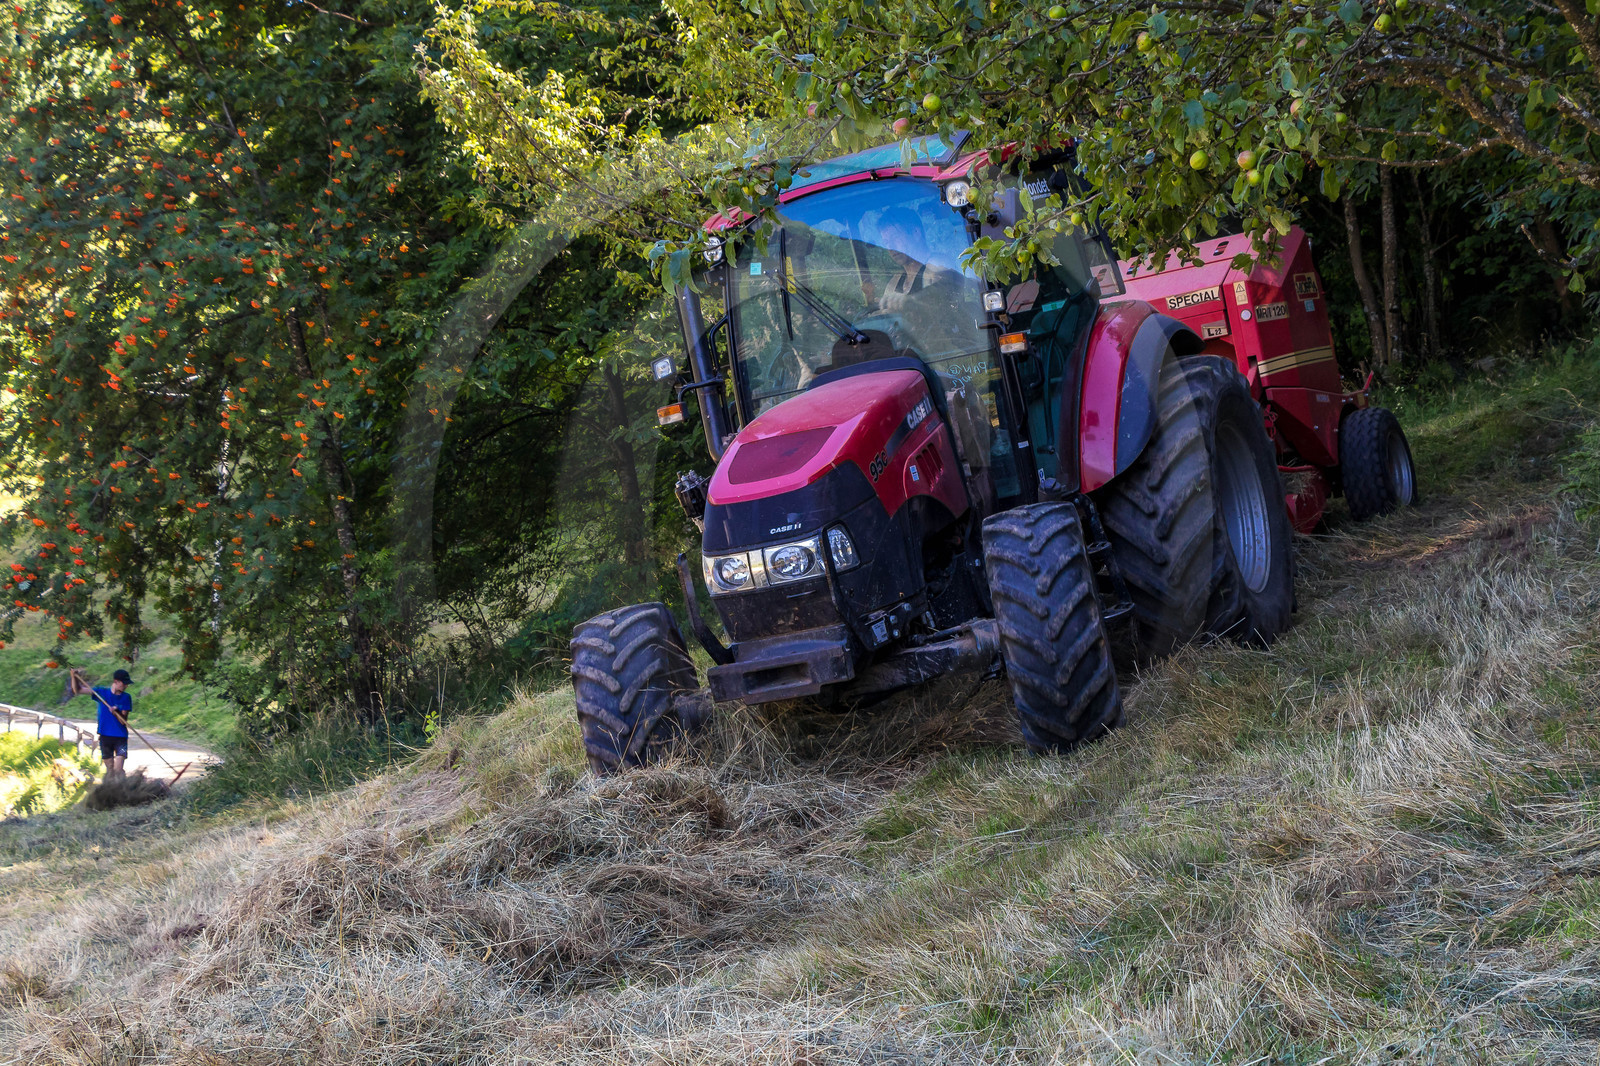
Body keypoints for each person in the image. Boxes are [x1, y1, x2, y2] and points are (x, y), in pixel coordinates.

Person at [72, 668, 133, 778]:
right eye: (124, 683)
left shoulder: (126, 698)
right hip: (105, 737)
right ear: (116, 682)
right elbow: (78, 690)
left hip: (120, 738)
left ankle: (123, 788)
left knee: (118, 769)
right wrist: (74, 677)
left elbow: (123, 722)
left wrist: (116, 712)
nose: (126, 686)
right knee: (110, 768)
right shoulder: (101, 693)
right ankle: (110, 790)